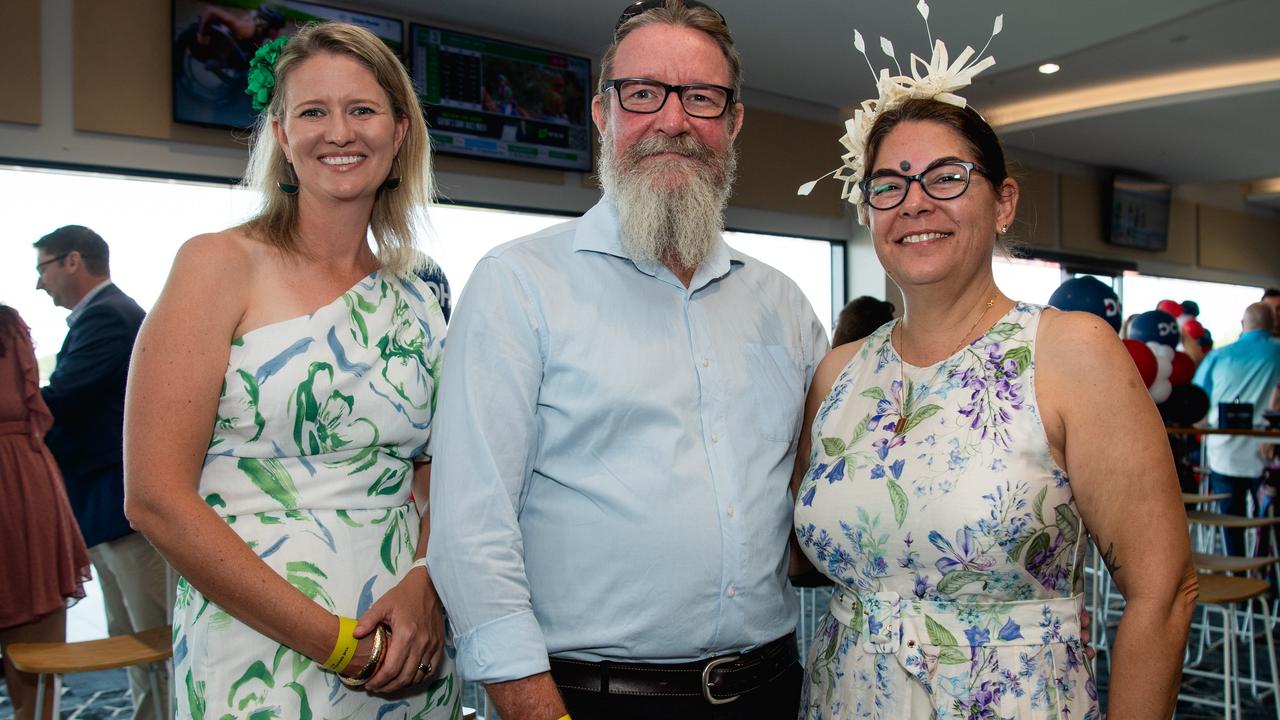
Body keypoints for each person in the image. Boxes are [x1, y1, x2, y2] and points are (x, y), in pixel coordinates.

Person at [427, 2, 827, 718]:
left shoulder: (785, 306)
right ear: (602, 113)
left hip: (772, 691)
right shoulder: (520, 285)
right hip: (586, 699)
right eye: (643, 93)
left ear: (733, 123)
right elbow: (471, 529)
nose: (672, 121)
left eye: (701, 97)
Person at [792, 23, 1197, 718]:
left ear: (1002, 201)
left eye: (947, 178)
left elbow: (1163, 593)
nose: (915, 202)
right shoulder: (838, 374)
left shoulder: (1070, 352)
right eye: (889, 185)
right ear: (867, 212)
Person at [123, 22, 459, 718]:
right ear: (281, 136)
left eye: (361, 110)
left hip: (411, 645)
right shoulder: (218, 264)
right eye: (313, 112)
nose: (339, 131)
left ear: (400, 131)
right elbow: (156, 496)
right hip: (261, 648)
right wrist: (336, 643)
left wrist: (426, 584)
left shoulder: (423, 290)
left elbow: (434, 468)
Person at [33, 225, 171, 720]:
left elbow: (65, 401)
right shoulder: (94, 318)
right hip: (103, 505)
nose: (38, 283)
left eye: (42, 268)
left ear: (73, 261)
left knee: (156, 638)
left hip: (122, 506)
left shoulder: (109, 318)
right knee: (128, 638)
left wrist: (17, 408)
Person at [0, 305, 92, 720]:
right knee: (36, 628)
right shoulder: (7, 326)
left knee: (37, 641)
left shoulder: (6, 324)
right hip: (22, 475)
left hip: (19, 480)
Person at [1192, 302, 1280, 555]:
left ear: (1243, 325)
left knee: (1230, 521)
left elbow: (1198, 403)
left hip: (1224, 452)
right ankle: (1266, 583)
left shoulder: (1219, 356)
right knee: (1269, 525)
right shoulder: (1277, 352)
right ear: (1272, 325)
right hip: (1268, 453)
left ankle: (1237, 581)